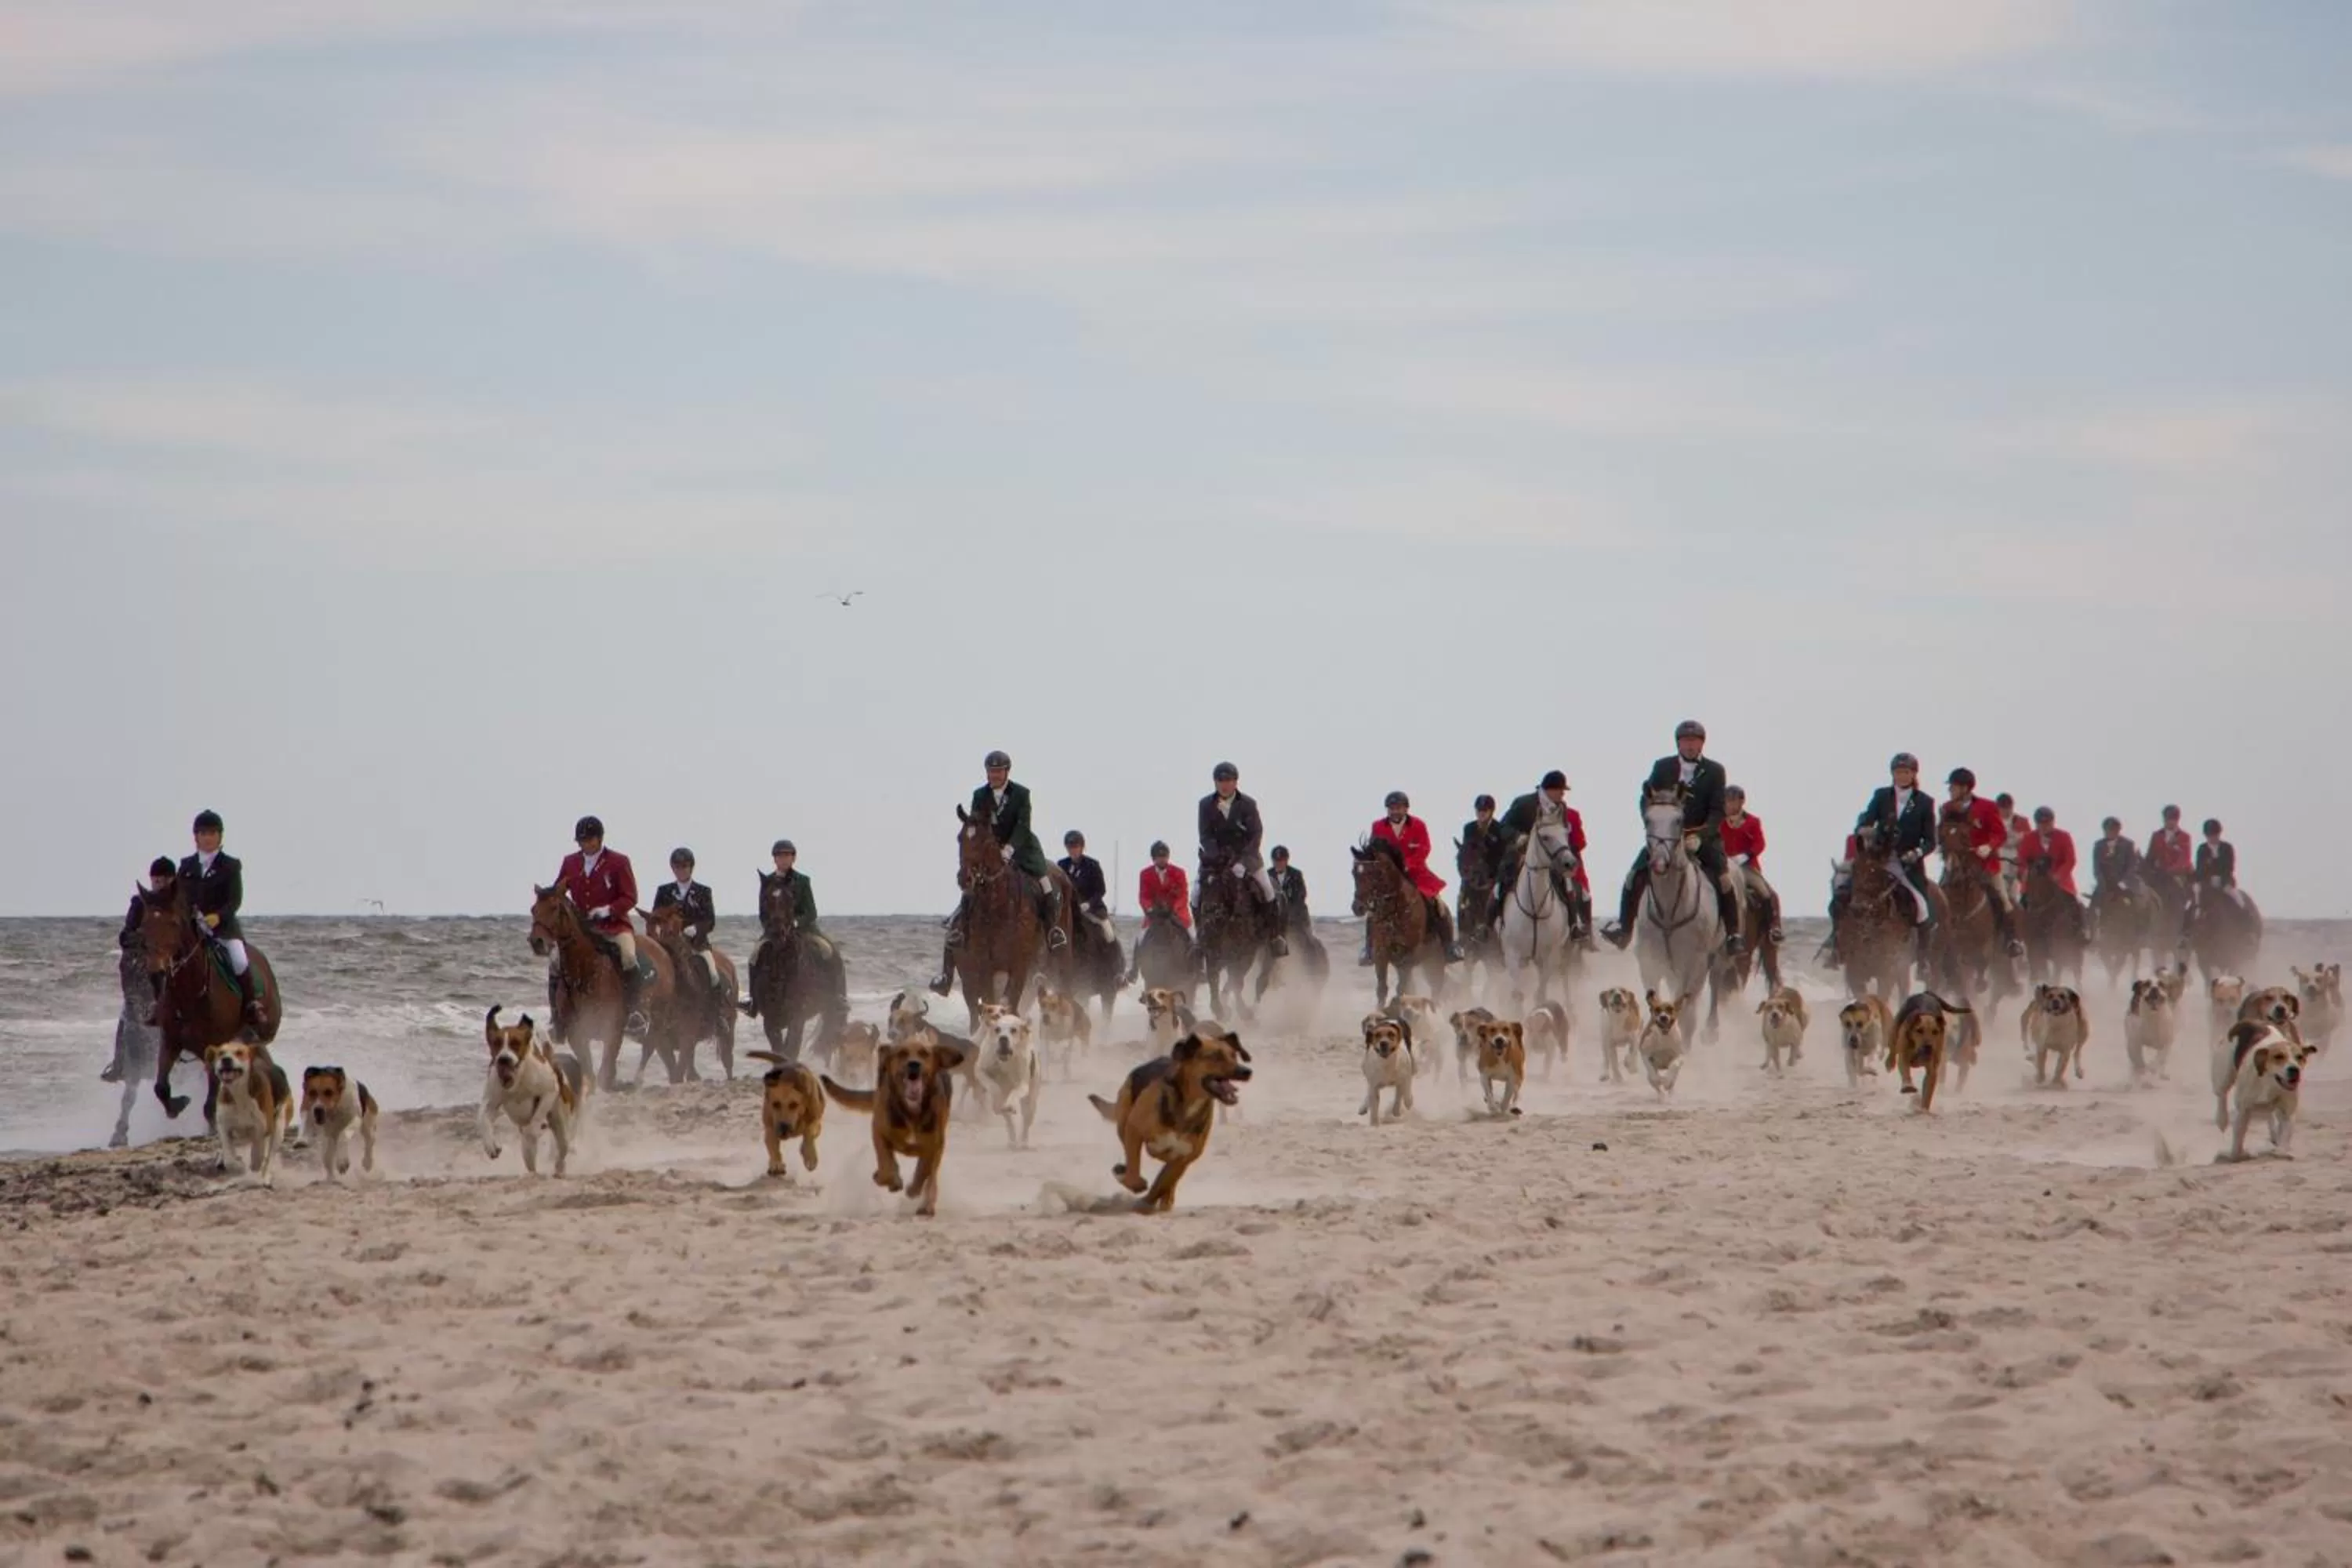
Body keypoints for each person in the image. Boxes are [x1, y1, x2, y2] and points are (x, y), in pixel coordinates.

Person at [1601, 720, 1742, 956]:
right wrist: (1654, 824)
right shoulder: (1662, 767)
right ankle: (1624, 928)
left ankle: (1733, 933)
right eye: (1685, 741)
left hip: (1702, 837)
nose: (1689, 745)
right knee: (1633, 875)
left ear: (1701, 744)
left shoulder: (1716, 771)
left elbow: (1717, 810)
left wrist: (1701, 835)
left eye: (1694, 741)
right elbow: (1645, 799)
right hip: (1665, 837)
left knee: (1724, 878)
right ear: (1678, 743)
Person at [932, 750, 1065, 994]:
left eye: (998, 771)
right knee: (971, 888)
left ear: (1007, 772)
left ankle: (1053, 930)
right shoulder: (979, 795)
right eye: (991, 771)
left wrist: (1010, 849)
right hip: (989, 849)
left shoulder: (1022, 794)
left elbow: (1023, 826)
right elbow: (977, 823)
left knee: (1044, 882)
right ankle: (954, 940)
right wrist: (990, 848)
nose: (994, 775)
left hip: (1022, 847)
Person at [1831, 753, 1940, 966]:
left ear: (1914, 774)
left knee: (1922, 907)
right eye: (1898, 772)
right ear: (1893, 774)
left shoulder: (1924, 803)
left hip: (1907, 863)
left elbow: (1930, 841)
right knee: (1843, 894)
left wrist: (1917, 853)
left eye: (1906, 772)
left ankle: (1923, 957)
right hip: (1878, 859)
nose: (1902, 776)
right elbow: (1868, 818)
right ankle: (1836, 946)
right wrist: (1863, 828)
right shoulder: (1881, 796)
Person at [553, 815, 648, 1033]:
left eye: (589, 840)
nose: (585, 845)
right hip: (582, 929)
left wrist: (608, 910)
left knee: (629, 956)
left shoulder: (618, 862)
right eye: (581, 841)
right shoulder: (570, 862)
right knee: (555, 961)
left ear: (600, 839)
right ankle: (557, 1017)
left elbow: (630, 897)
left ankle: (635, 1012)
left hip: (614, 926)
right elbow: (559, 891)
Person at [180, 809, 267, 1028]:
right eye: (203, 833)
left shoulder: (230, 865)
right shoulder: (186, 866)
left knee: (239, 958)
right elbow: (179, 897)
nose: (208, 838)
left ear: (220, 836)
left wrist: (218, 917)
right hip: (193, 928)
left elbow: (235, 900)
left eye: (212, 833)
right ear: (196, 837)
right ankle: (164, 1007)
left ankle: (251, 1005)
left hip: (223, 928)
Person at [1198, 761, 1287, 958]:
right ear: (1215, 782)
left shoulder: (1248, 804)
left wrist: (1243, 863)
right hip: (1217, 860)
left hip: (1248, 858)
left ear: (1236, 782)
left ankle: (1275, 937)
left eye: (1228, 780)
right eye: (1220, 780)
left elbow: (1256, 834)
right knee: (1196, 892)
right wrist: (1216, 857)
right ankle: (1199, 941)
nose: (1224, 784)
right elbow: (1205, 836)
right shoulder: (1205, 804)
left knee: (1268, 890)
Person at [1363, 791, 1464, 964]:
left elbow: (1424, 848)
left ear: (1406, 809)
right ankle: (1369, 949)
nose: (1395, 811)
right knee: (1373, 909)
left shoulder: (1418, 825)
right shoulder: (1377, 827)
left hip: (1416, 874)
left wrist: (1407, 864)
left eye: (1398, 808)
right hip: (1387, 879)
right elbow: (1374, 852)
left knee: (1439, 905)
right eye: (1391, 808)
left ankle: (1448, 947)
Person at [1497, 771, 1593, 945]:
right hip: (1520, 855)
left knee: (1570, 885)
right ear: (1550, 790)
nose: (1563, 795)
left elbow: (1563, 836)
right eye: (1561, 791)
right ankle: (1490, 927)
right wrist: (1519, 838)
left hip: (1550, 859)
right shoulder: (1524, 803)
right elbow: (1503, 827)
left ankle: (1573, 927)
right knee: (1500, 885)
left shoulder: (1561, 808)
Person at [1938, 768, 2025, 956]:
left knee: (2003, 899)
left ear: (1965, 788)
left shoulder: (1986, 807)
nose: (1950, 791)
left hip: (1984, 864)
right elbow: (1942, 833)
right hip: (1955, 864)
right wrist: (1945, 851)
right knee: (1939, 897)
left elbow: (2000, 833)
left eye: (1953, 787)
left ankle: (2012, 941)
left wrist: (1989, 846)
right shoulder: (1946, 808)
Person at [108, 856, 176, 1080]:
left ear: (172, 880)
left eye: (163, 880)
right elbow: (126, 935)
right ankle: (118, 1064)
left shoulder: (180, 903)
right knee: (128, 1012)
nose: (159, 884)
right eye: (155, 880)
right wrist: (142, 940)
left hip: (174, 964)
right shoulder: (140, 903)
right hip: (147, 965)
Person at [745, 840, 829, 1017]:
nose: (783, 859)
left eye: (787, 855)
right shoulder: (768, 882)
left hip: (803, 929)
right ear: (774, 859)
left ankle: (835, 996)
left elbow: (811, 911)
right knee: (754, 956)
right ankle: (754, 1001)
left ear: (793, 858)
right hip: (775, 931)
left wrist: (796, 923)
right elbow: (763, 912)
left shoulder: (803, 881)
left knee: (827, 950)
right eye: (780, 856)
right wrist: (771, 927)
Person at [1716, 786, 1787, 946]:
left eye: (1732, 801)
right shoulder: (1719, 822)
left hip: (1746, 867)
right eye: (1726, 801)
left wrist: (1746, 855)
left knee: (1768, 893)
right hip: (1724, 865)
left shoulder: (1752, 822)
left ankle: (1774, 927)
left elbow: (1760, 843)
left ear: (1741, 802)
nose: (1729, 805)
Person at [2016, 806, 2089, 943]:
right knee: (2021, 907)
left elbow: (2070, 860)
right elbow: (2022, 859)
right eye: (2041, 824)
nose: (2045, 826)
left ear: (2053, 822)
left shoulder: (2064, 837)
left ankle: (2081, 932)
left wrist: (2058, 875)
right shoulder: (2029, 839)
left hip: (2060, 882)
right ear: (2036, 824)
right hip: (2034, 884)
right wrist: (2024, 873)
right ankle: (2018, 940)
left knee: (2076, 905)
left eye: (2048, 823)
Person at [651, 848, 720, 993]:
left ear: (691, 867)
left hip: (696, 944)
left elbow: (710, 920)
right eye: (677, 867)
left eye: (684, 866)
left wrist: (696, 928)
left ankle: (717, 1011)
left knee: (713, 975)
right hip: (668, 943)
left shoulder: (703, 891)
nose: (680, 870)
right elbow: (655, 917)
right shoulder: (664, 891)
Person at [1126, 840, 1194, 982]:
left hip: (1177, 913)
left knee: (1192, 936)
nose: (1162, 859)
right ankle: (1134, 971)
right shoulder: (1145, 874)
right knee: (1141, 937)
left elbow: (1183, 894)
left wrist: (1174, 909)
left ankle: (1199, 969)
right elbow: (1143, 896)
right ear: (1154, 859)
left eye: (1164, 856)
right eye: (1159, 857)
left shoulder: (1179, 872)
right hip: (1155, 914)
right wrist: (1150, 909)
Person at [2185, 818, 2251, 934]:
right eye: (2210, 835)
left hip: (2224, 882)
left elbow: (2230, 867)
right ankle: (2185, 934)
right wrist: (2206, 879)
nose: (2212, 838)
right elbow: (2200, 868)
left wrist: (2221, 878)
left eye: (2214, 835)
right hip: (2206, 883)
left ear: (2219, 834)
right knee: (2191, 900)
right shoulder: (2202, 849)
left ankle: (2247, 928)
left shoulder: (2227, 848)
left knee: (2238, 899)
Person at [1058, 831, 1118, 946]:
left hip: (1093, 909)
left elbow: (1101, 890)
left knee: (1109, 935)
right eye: (1070, 847)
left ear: (1082, 847)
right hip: (1069, 909)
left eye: (1076, 847)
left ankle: (1114, 961)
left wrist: (1089, 904)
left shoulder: (1093, 865)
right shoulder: (1062, 865)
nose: (1073, 850)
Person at [2146, 805, 2194, 901]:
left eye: (2173, 819)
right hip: (2159, 872)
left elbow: (2185, 858)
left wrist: (2171, 870)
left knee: (2180, 889)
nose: (2170, 822)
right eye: (2167, 819)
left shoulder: (2184, 837)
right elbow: (2150, 856)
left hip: (2178, 873)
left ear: (2177, 820)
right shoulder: (2157, 835)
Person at [1269, 846, 1313, 938]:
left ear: (1286, 860)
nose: (1278, 864)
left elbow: (1301, 895)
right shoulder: (1267, 875)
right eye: (1276, 861)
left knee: (1305, 939)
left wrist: (1288, 911)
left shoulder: (1296, 875)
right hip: (1275, 917)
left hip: (1296, 917)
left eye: (1281, 861)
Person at [1994, 793, 2030, 904]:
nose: (2007, 811)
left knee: (2015, 890)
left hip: (2017, 862)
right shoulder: (1992, 822)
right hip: (1998, 861)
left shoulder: (2022, 821)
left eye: (2009, 807)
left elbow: (2029, 842)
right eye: (2003, 808)